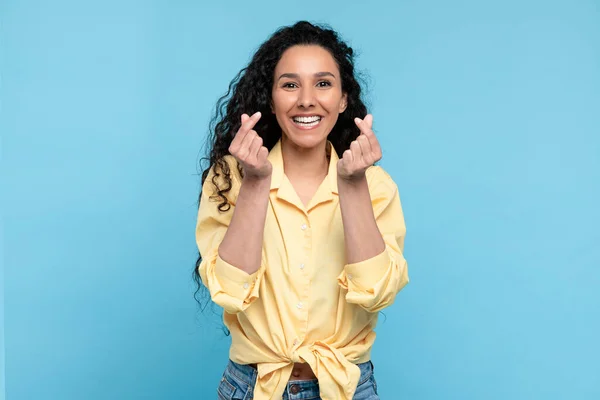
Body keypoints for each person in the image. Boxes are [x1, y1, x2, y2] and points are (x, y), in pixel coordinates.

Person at [193, 20, 409, 400]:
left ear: (343, 100)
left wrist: (353, 187)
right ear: (271, 99)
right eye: (290, 84)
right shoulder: (230, 177)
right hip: (254, 386)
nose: (306, 99)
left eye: (323, 83)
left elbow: (376, 293)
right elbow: (227, 291)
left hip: (347, 387)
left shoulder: (375, 186)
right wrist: (257, 184)